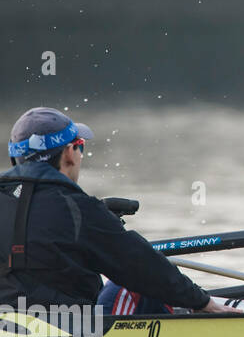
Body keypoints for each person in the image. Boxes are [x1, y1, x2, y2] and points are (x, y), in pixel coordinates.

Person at [0, 107, 230, 314]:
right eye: (80, 146)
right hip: (71, 331)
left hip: (9, 326)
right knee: (133, 283)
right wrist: (202, 301)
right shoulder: (80, 209)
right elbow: (140, 265)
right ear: (70, 152)